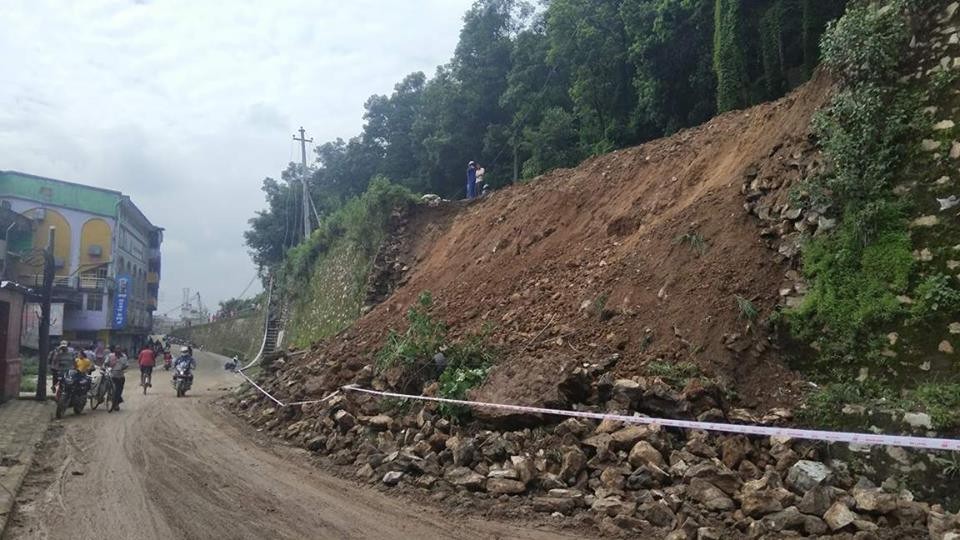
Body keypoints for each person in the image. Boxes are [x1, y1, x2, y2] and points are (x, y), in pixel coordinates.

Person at [105, 345, 128, 411]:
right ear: (114, 350)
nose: (118, 350)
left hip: (120, 376)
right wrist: (107, 366)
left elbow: (126, 365)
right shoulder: (110, 356)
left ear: (121, 350)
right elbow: (106, 363)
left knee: (119, 391)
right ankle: (115, 403)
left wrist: (122, 368)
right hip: (112, 375)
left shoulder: (124, 356)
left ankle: (116, 403)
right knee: (114, 390)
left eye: (119, 349)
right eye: (117, 349)